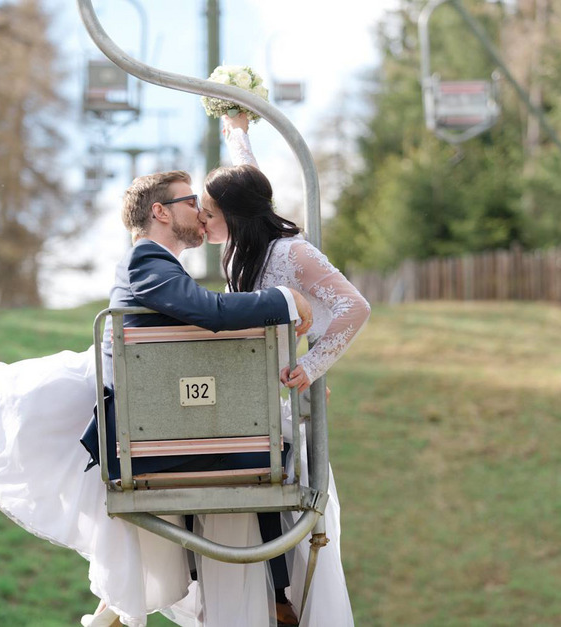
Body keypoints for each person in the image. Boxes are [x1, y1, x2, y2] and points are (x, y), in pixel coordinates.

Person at [0, 169, 313, 627]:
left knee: (277, 439)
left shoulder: (163, 269)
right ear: (160, 211)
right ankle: (275, 594)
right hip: (163, 435)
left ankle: (262, 597)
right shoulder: (145, 262)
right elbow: (208, 313)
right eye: (191, 201)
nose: (200, 210)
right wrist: (284, 300)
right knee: (285, 448)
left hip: (174, 427)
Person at [186, 113, 370, 626]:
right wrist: (237, 131)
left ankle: (280, 597)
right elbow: (248, 174)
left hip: (278, 394)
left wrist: (312, 366)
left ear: (234, 214)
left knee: (271, 487)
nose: (201, 220)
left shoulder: (291, 253)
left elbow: (356, 307)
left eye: (208, 211)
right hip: (248, 392)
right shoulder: (239, 245)